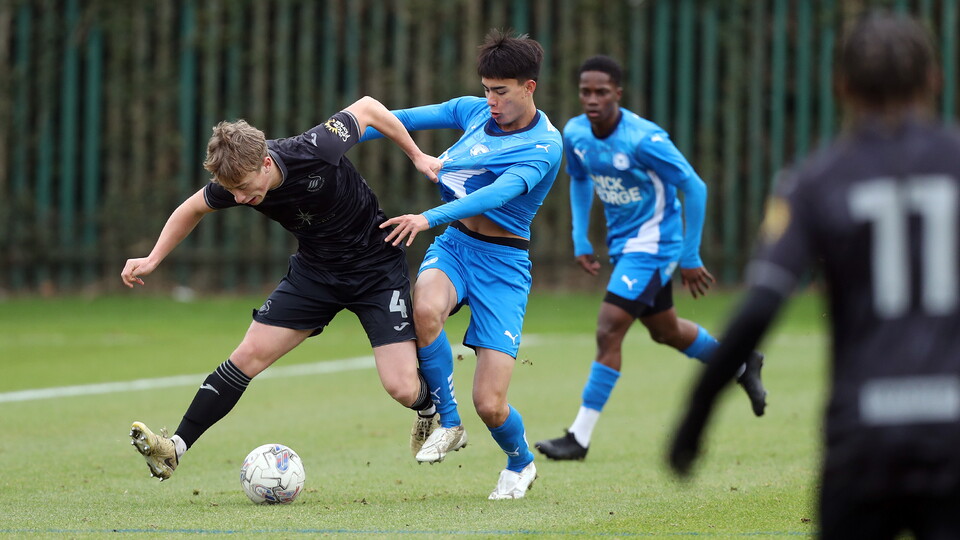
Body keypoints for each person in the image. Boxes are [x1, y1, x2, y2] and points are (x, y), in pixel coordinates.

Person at [669, 11, 960, 539]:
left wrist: (695, 418)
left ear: (842, 86)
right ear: (934, 79)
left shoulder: (816, 180)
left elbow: (760, 306)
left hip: (863, 440)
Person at [121, 96, 443, 481]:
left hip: (376, 270)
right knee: (247, 355)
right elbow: (191, 208)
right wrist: (154, 258)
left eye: (242, 188)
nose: (239, 198)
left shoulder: (317, 147)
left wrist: (418, 156)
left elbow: (371, 108)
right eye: (232, 191)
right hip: (315, 274)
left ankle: (429, 410)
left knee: (402, 387)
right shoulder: (235, 181)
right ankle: (175, 447)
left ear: (267, 162)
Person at [534, 55, 767, 461]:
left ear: (618, 95)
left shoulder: (643, 139)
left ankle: (579, 437)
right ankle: (741, 362)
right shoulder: (575, 132)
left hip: (656, 242)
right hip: (624, 244)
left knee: (609, 329)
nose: (592, 99)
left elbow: (694, 187)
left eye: (601, 92)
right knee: (667, 331)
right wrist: (579, 237)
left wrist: (690, 256)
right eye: (585, 92)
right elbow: (580, 179)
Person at [362, 29, 562, 499]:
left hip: (504, 268)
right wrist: (331, 138)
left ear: (529, 87)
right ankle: (448, 423)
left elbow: (498, 194)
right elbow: (400, 119)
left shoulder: (544, 146)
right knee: (425, 308)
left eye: (501, 91)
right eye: (486, 89)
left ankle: (520, 461)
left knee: (490, 405)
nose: (490, 100)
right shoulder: (473, 111)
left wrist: (426, 217)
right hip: (456, 247)